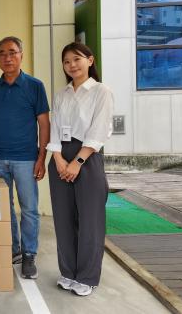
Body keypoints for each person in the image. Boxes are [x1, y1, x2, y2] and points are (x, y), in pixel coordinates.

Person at [46, 42, 113, 296]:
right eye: (66, 61)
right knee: (63, 219)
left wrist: (78, 162)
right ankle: (68, 272)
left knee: (90, 221)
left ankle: (86, 277)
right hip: (60, 158)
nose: (71, 65)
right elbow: (54, 128)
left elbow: (99, 130)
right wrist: (58, 158)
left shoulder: (101, 91)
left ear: (90, 60)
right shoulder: (61, 94)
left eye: (77, 59)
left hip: (87, 157)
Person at [0, 36, 50, 279]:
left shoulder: (35, 86)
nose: (7, 57)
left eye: (12, 52)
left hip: (26, 159)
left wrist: (42, 157)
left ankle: (29, 254)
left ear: (21, 54)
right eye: (2, 53)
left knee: (29, 208)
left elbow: (44, 123)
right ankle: (12, 248)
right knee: (3, 206)